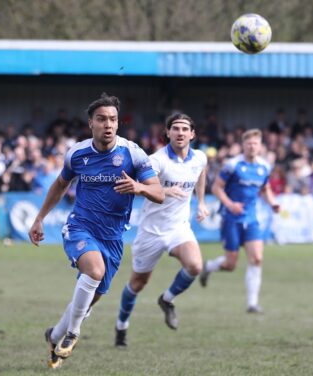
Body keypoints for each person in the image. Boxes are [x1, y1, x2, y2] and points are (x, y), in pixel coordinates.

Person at [28, 93, 164, 369]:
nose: (108, 124)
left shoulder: (133, 153)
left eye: (113, 119)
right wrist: (40, 218)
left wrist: (140, 187)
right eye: (101, 119)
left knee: (90, 296)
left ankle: (54, 335)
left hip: (113, 237)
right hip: (80, 227)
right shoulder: (77, 154)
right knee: (94, 271)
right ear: (91, 123)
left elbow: (159, 193)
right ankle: (73, 333)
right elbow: (59, 185)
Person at [113, 113, 209, 346]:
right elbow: (142, 187)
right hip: (151, 231)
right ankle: (121, 326)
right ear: (167, 133)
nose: (180, 132)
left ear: (192, 134)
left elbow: (201, 174)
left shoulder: (200, 158)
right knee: (138, 284)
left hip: (178, 227)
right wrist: (165, 191)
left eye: (185, 129)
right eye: (175, 128)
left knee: (195, 266)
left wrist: (202, 202)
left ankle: (167, 299)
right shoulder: (156, 161)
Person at [199, 129, 279, 313]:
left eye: (255, 143)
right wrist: (230, 204)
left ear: (260, 146)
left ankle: (252, 304)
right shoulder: (232, 165)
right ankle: (209, 267)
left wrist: (273, 203)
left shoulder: (264, 167)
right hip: (231, 218)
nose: (252, 147)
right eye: (249, 143)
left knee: (257, 259)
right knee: (230, 264)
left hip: (251, 219)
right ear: (243, 145)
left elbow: (265, 189)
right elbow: (217, 187)